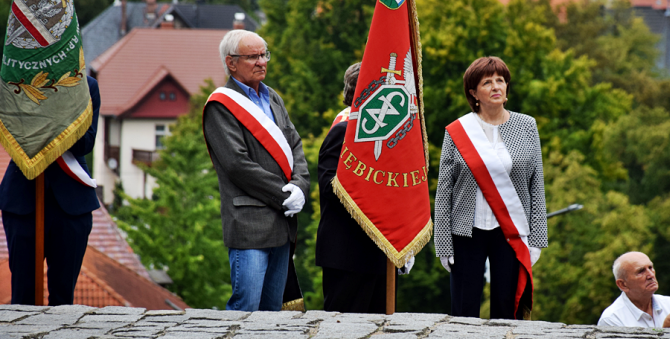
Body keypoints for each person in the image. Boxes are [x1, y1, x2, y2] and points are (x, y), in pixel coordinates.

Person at [203, 29, 309, 312]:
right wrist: (283, 193)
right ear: (231, 62)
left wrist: (300, 185)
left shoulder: (273, 98)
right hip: (249, 223)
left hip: (283, 224)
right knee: (245, 308)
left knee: (273, 312)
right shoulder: (221, 106)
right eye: (253, 56)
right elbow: (237, 164)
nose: (262, 61)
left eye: (264, 54)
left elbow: (294, 144)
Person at [434, 56, 547, 319]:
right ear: (474, 93)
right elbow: (443, 195)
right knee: (464, 311)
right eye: (487, 82)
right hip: (465, 231)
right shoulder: (457, 131)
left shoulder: (527, 126)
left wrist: (538, 239)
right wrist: (443, 244)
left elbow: (536, 185)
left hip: (510, 231)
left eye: (501, 80)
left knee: (507, 308)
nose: (496, 86)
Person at [316, 63, 413, 313]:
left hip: (380, 252)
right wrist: (372, 189)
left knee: (379, 336)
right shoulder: (343, 131)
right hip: (347, 253)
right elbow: (328, 187)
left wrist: (404, 240)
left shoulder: (388, 137)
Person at [0, 76, 101, 305]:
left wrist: (53, 119)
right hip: (23, 199)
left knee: (63, 299)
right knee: (22, 297)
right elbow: (11, 133)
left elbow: (86, 142)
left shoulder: (87, 86)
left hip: (72, 204)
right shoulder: (15, 80)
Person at [598, 251, 670, 328]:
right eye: (641, 271)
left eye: (650, 267)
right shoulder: (611, 320)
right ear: (623, 285)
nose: (650, 275)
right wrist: (668, 332)